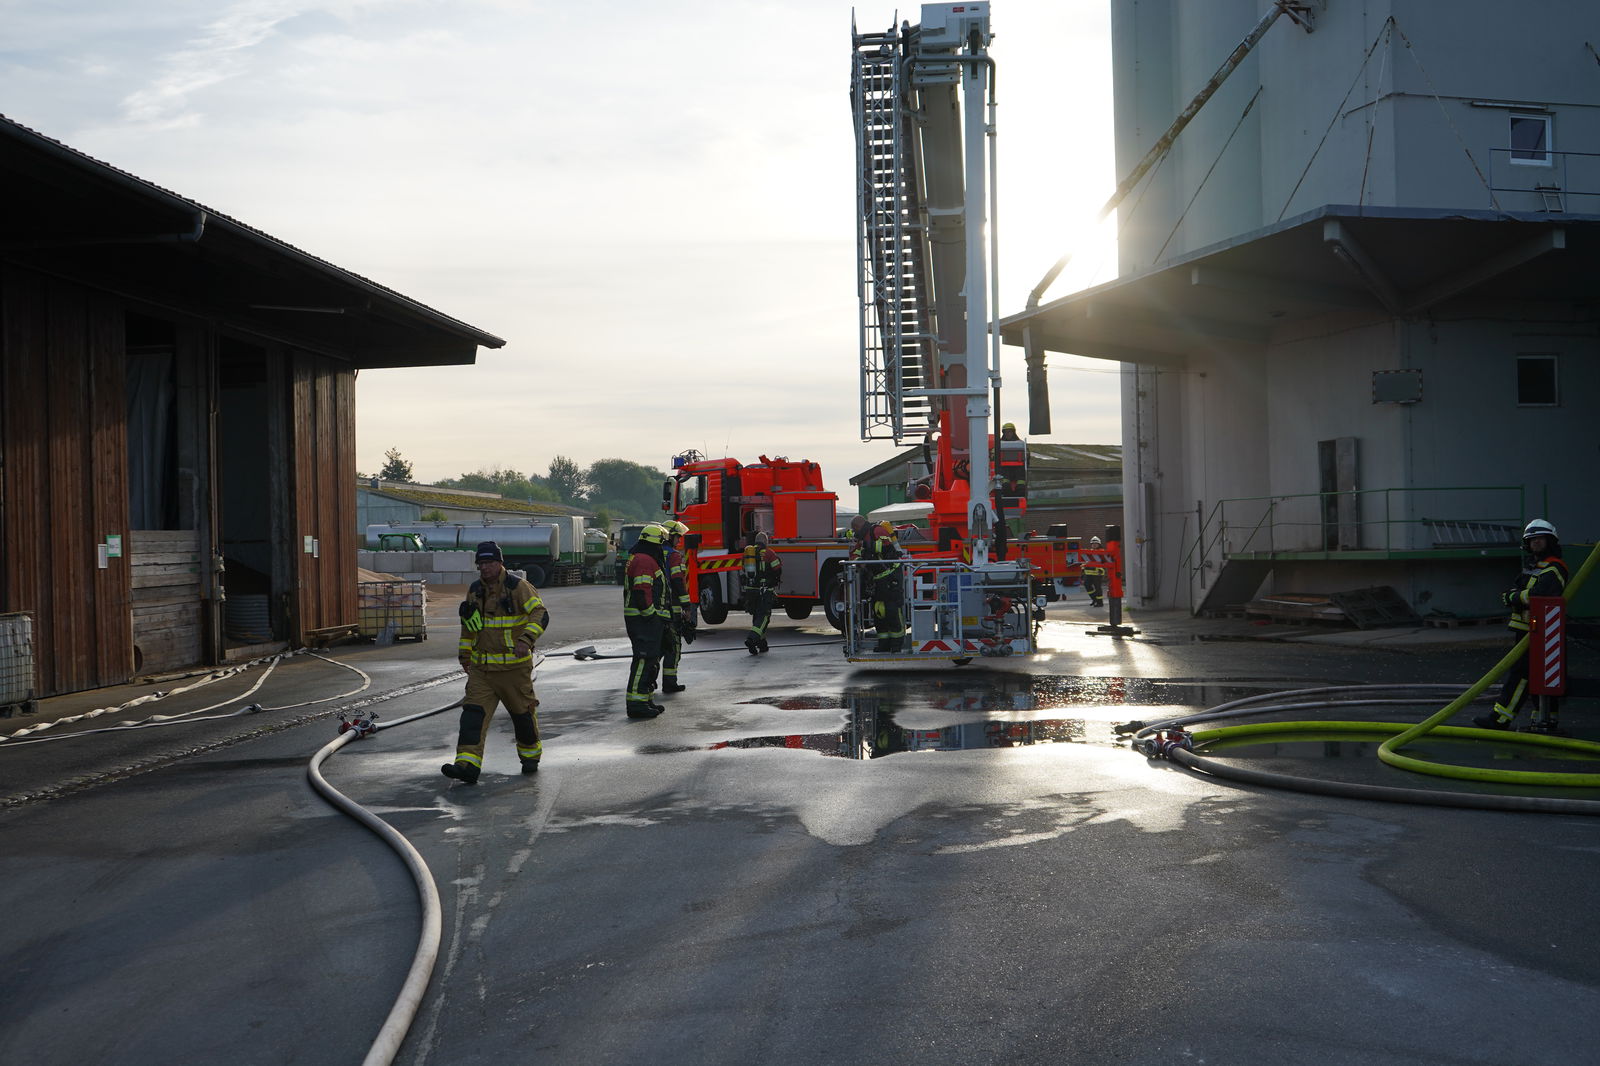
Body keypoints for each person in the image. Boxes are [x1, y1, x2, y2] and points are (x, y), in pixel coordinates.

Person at [442, 541, 549, 785]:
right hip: (482, 672)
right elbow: (469, 626)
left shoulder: (518, 587)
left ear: (500, 563)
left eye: (489, 563)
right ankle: (467, 764)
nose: (484, 568)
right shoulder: (474, 590)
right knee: (472, 716)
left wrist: (526, 639)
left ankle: (530, 757)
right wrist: (465, 655)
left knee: (522, 716)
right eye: (480, 564)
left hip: (514, 669)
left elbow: (540, 613)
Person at [1474, 518, 1569, 732]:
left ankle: (1500, 718)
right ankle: (1544, 718)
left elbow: (1541, 594)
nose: (1535, 543)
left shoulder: (1555, 568)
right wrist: (1515, 596)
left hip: (1540, 632)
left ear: (1550, 541)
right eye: (1532, 540)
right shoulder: (1533, 567)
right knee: (1538, 675)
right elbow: (1518, 592)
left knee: (1521, 675)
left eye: (1540, 539)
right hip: (1526, 631)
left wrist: (1515, 597)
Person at [624, 524, 671, 719]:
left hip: (645, 619)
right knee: (644, 659)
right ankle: (636, 704)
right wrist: (651, 615)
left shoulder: (643, 557)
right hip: (643, 619)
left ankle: (645, 698)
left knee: (650, 659)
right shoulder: (644, 560)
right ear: (656, 543)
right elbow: (642, 591)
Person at [850, 514, 906, 652]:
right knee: (879, 611)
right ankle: (884, 643)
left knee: (891, 609)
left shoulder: (877, 530)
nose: (855, 533)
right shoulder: (862, 538)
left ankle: (896, 643)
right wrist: (858, 561)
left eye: (855, 529)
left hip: (890, 575)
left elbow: (886, 547)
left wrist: (866, 546)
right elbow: (855, 553)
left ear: (858, 526)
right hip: (876, 579)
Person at [660, 520, 695, 692]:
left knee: (657, 647)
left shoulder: (655, 553)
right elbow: (678, 582)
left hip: (656, 607)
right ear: (670, 536)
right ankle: (669, 683)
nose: (679, 541)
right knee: (673, 646)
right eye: (678, 537)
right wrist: (686, 607)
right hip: (672, 607)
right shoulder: (673, 556)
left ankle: (650, 682)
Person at [742, 531, 782, 654]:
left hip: (750, 590)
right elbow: (777, 569)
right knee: (764, 617)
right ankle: (752, 639)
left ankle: (762, 644)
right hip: (764, 591)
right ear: (765, 541)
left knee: (757, 617)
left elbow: (743, 568)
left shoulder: (748, 553)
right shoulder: (769, 553)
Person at [1082, 535, 1106, 608]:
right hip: (1088, 573)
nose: (1094, 545)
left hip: (1097, 573)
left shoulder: (1102, 552)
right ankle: (1094, 599)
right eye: (1093, 544)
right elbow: (1086, 561)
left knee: (1097, 587)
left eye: (1096, 543)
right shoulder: (1089, 552)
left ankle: (1100, 602)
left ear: (1099, 544)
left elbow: (1104, 562)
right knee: (1087, 585)